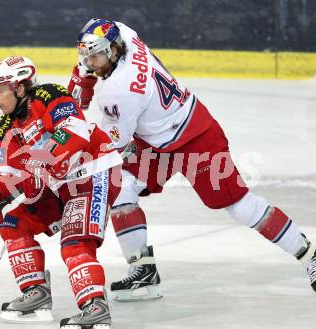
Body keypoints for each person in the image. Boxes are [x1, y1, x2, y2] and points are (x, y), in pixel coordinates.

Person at [67, 18, 316, 302]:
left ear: (113, 50)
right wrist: (84, 73)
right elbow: (101, 36)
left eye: (95, 55)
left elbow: (111, 145)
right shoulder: (125, 35)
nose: (90, 60)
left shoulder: (118, 92)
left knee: (239, 206)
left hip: (196, 137)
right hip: (156, 138)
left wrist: (73, 151)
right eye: (85, 54)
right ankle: (143, 273)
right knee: (121, 186)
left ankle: (309, 255)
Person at [0, 55, 123, 329]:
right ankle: (36, 294)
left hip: (93, 172)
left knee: (75, 242)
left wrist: (42, 166)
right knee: (14, 223)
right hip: (57, 185)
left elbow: (74, 131)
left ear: (19, 87)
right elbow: (6, 176)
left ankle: (95, 308)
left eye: (1, 90)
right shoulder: (4, 129)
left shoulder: (49, 95)